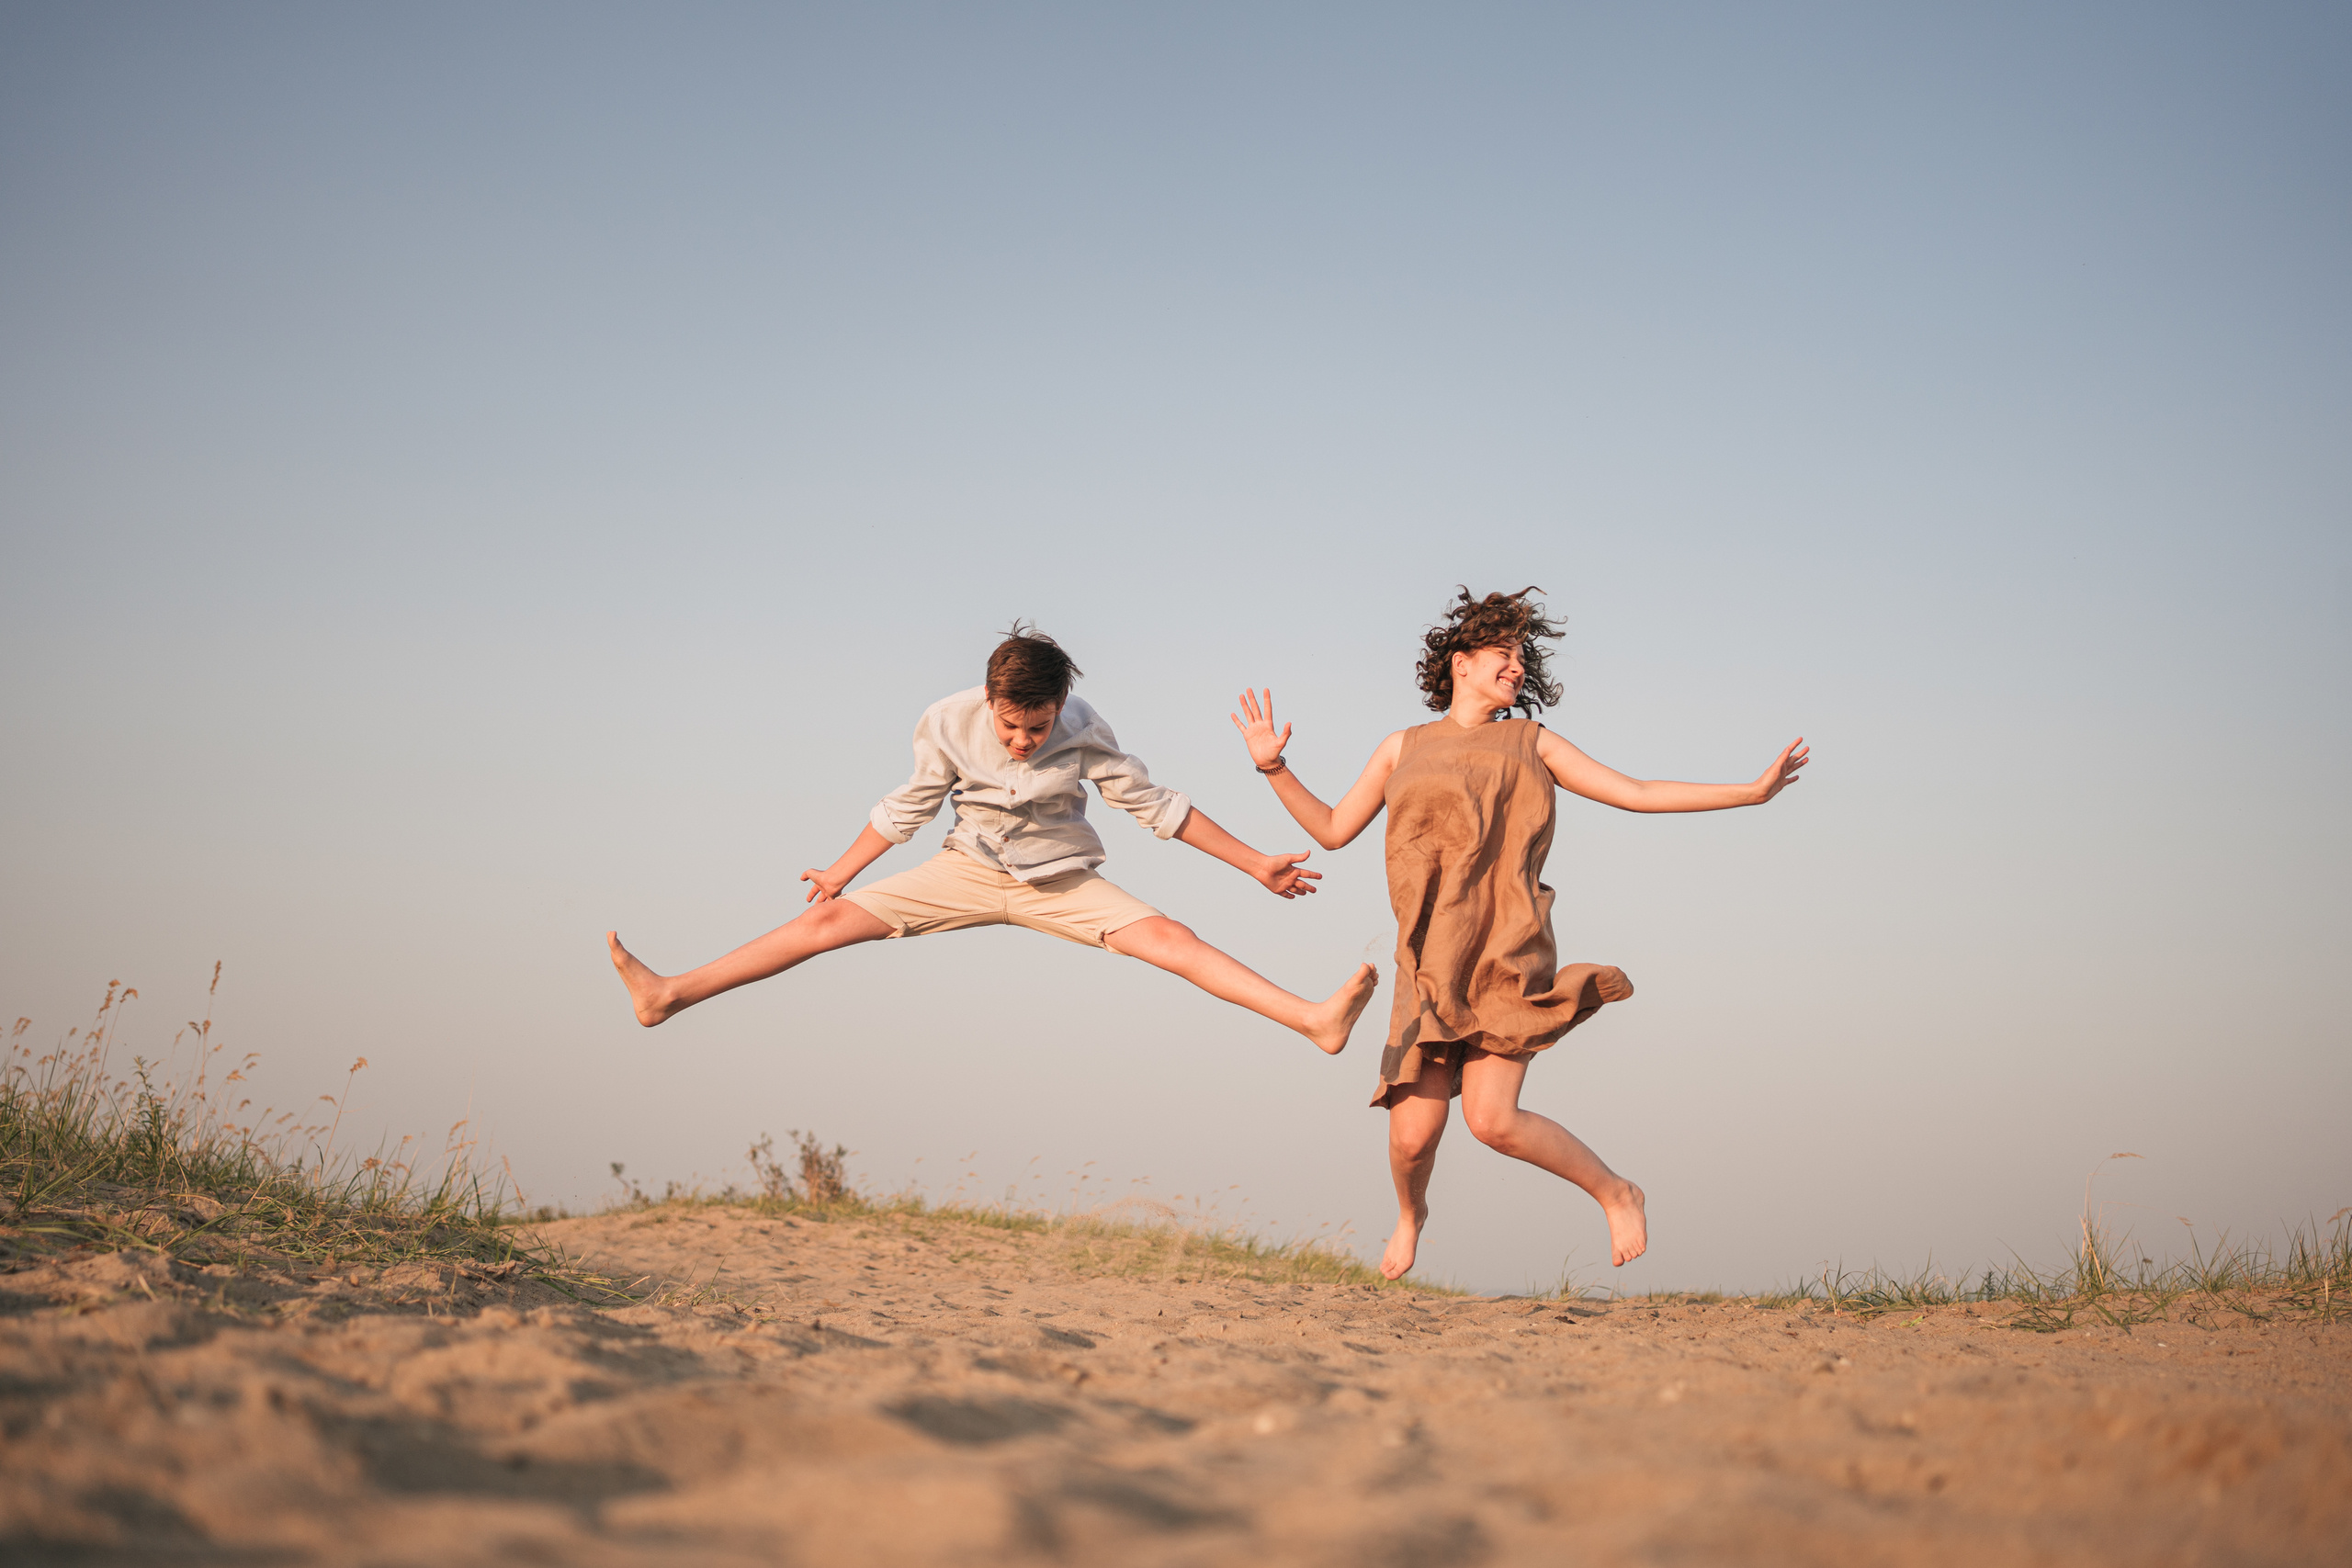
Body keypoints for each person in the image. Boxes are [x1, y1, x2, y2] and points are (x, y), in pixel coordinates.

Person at [1230, 587, 1806, 1279]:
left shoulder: (1532, 742)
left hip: (1507, 953)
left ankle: (1617, 1191)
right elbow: (1330, 828)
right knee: (1413, 1140)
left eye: (1520, 658)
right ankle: (1412, 1215)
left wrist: (1748, 791)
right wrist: (1272, 764)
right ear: (1461, 663)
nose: (1515, 667)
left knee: (1492, 1120)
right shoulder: (1401, 747)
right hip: (1429, 964)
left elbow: (1637, 791)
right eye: (1502, 653)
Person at [610, 625, 1379, 1055]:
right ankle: (667, 994)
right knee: (820, 926)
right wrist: (840, 872)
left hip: (1061, 878)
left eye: (1036, 727)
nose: (1021, 740)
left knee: (1171, 937)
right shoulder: (947, 721)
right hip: (967, 866)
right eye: (1010, 724)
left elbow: (1157, 806)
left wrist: (1255, 865)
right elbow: (906, 804)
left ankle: (1312, 1018)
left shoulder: (1083, 729)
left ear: (1062, 705)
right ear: (989, 699)